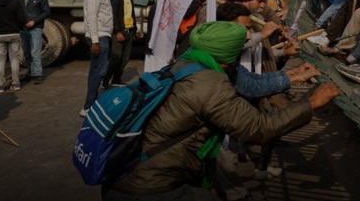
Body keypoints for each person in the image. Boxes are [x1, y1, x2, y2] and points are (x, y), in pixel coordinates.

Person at [103, 21, 339, 201]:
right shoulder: (211, 84)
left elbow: (249, 83)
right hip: (151, 186)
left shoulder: (188, 62)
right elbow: (258, 128)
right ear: (231, 54)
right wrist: (311, 103)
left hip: (124, 173)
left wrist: (293, 76)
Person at [81, 0, 114, 117]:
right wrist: (95, 41)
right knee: (99, 71)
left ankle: (90, 104)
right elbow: (91, 17)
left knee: (95, 71)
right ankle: (89, 106)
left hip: (103, 35)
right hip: (99, 36)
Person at [103, 0, 136, 89]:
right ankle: (105, 81)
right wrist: (117, 32)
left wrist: (134, 29)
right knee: (116, 57)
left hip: (129, 31)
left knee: (125, 58)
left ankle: (116, 79)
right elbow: (113, 17)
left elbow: (131, 14)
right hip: (119, 32)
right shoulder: (116, 0)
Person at [17, 0, 50, 85]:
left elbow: (46, 12)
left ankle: (37, 74)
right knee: (26, 53)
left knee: (35, 53)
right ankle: (30, 73)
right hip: (23, 29)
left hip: (36, 28)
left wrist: (34, 21)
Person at [0, 0, 25, 93]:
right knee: (14, 59)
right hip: (14, 33)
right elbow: (21, 19)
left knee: (0, 60)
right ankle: (16, 84)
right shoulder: (15, 2)